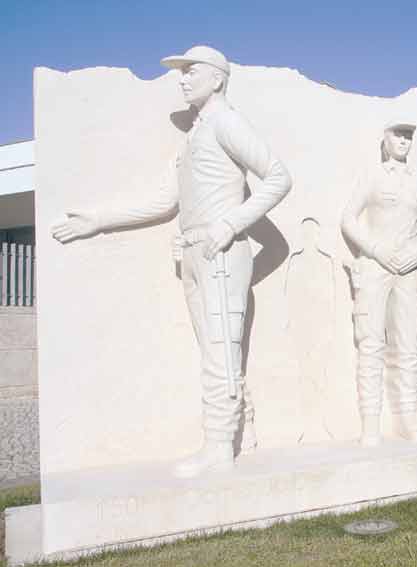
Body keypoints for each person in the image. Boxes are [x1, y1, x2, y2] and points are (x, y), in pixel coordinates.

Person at [50, 46, 292, 478]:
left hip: (220, 253)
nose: (181, 79)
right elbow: (165, 202)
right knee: (215, 353)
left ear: (217, 78)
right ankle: (243, 433)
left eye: (190, 71)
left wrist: (232, 225)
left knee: (220, 352)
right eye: (180, 72)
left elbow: (278, 177)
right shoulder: (194, 136)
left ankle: (219, 447)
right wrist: (99, 220)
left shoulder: (225, 121)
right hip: (194, 253)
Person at [341, 119, 417, 446]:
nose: (404, 141)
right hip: (375, 265)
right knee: (370, 343)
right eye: (398, 135)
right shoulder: (372, 175)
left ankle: (406, 419)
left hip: (408, 269)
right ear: (384, 139)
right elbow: (348, 220)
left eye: (409, 136)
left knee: (408, 344)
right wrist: (375, 250)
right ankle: (371, 422)